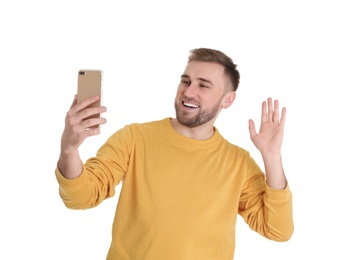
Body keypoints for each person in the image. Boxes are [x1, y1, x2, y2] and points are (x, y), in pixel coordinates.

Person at [55, 47, 294, 260]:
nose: (189, 92)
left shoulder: (238, 162)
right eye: (186, 81)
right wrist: (69, 149)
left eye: (203, 85)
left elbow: (277, 230)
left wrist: (272, 156)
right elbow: (80, 198)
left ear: (228, 99)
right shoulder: (134, 138)